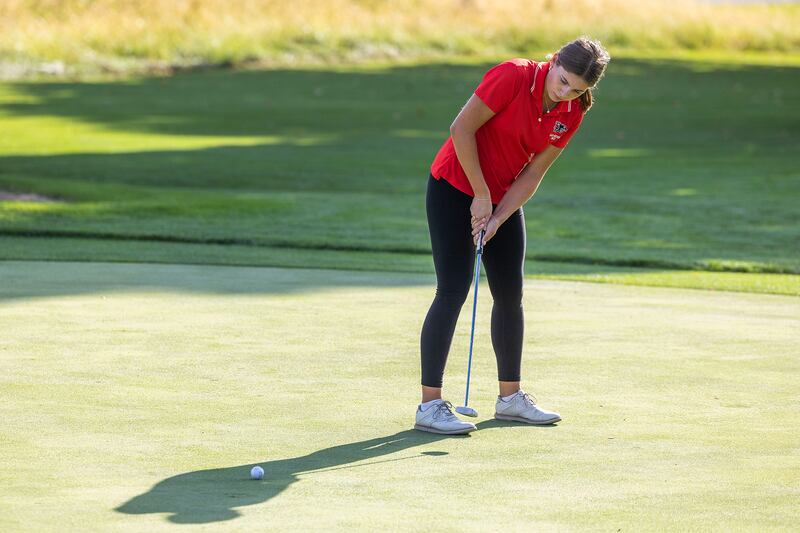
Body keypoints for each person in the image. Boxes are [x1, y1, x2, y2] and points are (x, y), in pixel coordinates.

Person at [414, 37, 611, 435]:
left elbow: (534, 173)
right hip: (454, 185)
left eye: (577, 89)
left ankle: (510, 399)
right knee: (453, 288)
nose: (565, 92)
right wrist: (480, 196)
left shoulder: (572, 111)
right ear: (553, 62)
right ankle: (429, 406)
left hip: (502, 197)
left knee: (509, 292)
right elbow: (461, 129)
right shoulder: (513, 76)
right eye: (563, 81)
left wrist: (499, 215)